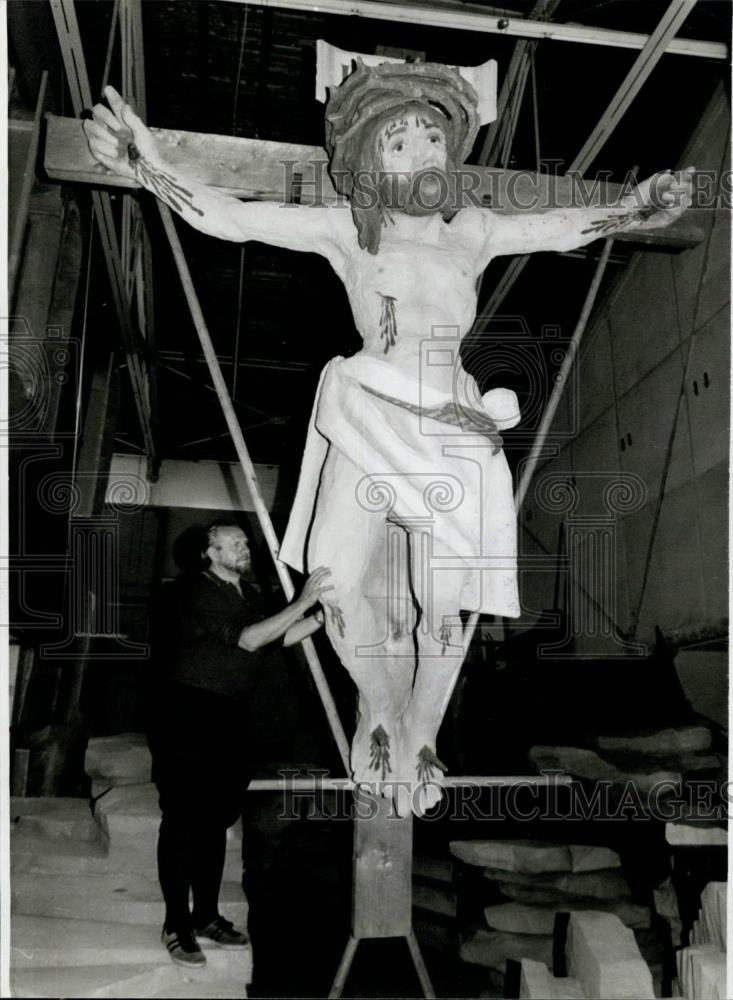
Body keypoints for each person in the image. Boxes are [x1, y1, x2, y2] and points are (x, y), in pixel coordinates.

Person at [85, 61, 693, 815]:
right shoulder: (348, 227)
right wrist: (146, 162)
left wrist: (638, 208)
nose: (423, 150)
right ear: (372, 155)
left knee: (447, 603)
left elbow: (565, 224)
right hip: (369, 405)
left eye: (433, 136)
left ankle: (424, 731)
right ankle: (378, 705)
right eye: (402, 139)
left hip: (454, 423)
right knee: (335, 583)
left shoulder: (471, 230)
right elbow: (231, 217)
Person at [152, 519, 331, 967]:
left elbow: (275, 639)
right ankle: (176, 923)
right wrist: (304, 598)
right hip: (189, 711)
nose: (245, 548)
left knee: (216, 818)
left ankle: (207, 916)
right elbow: (249, 639)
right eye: (233, 543)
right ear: (209, 554)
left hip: (231, 713)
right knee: (184, 818)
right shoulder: (196, 590)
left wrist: (320, 617)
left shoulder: (248, 595)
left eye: (245, 542)